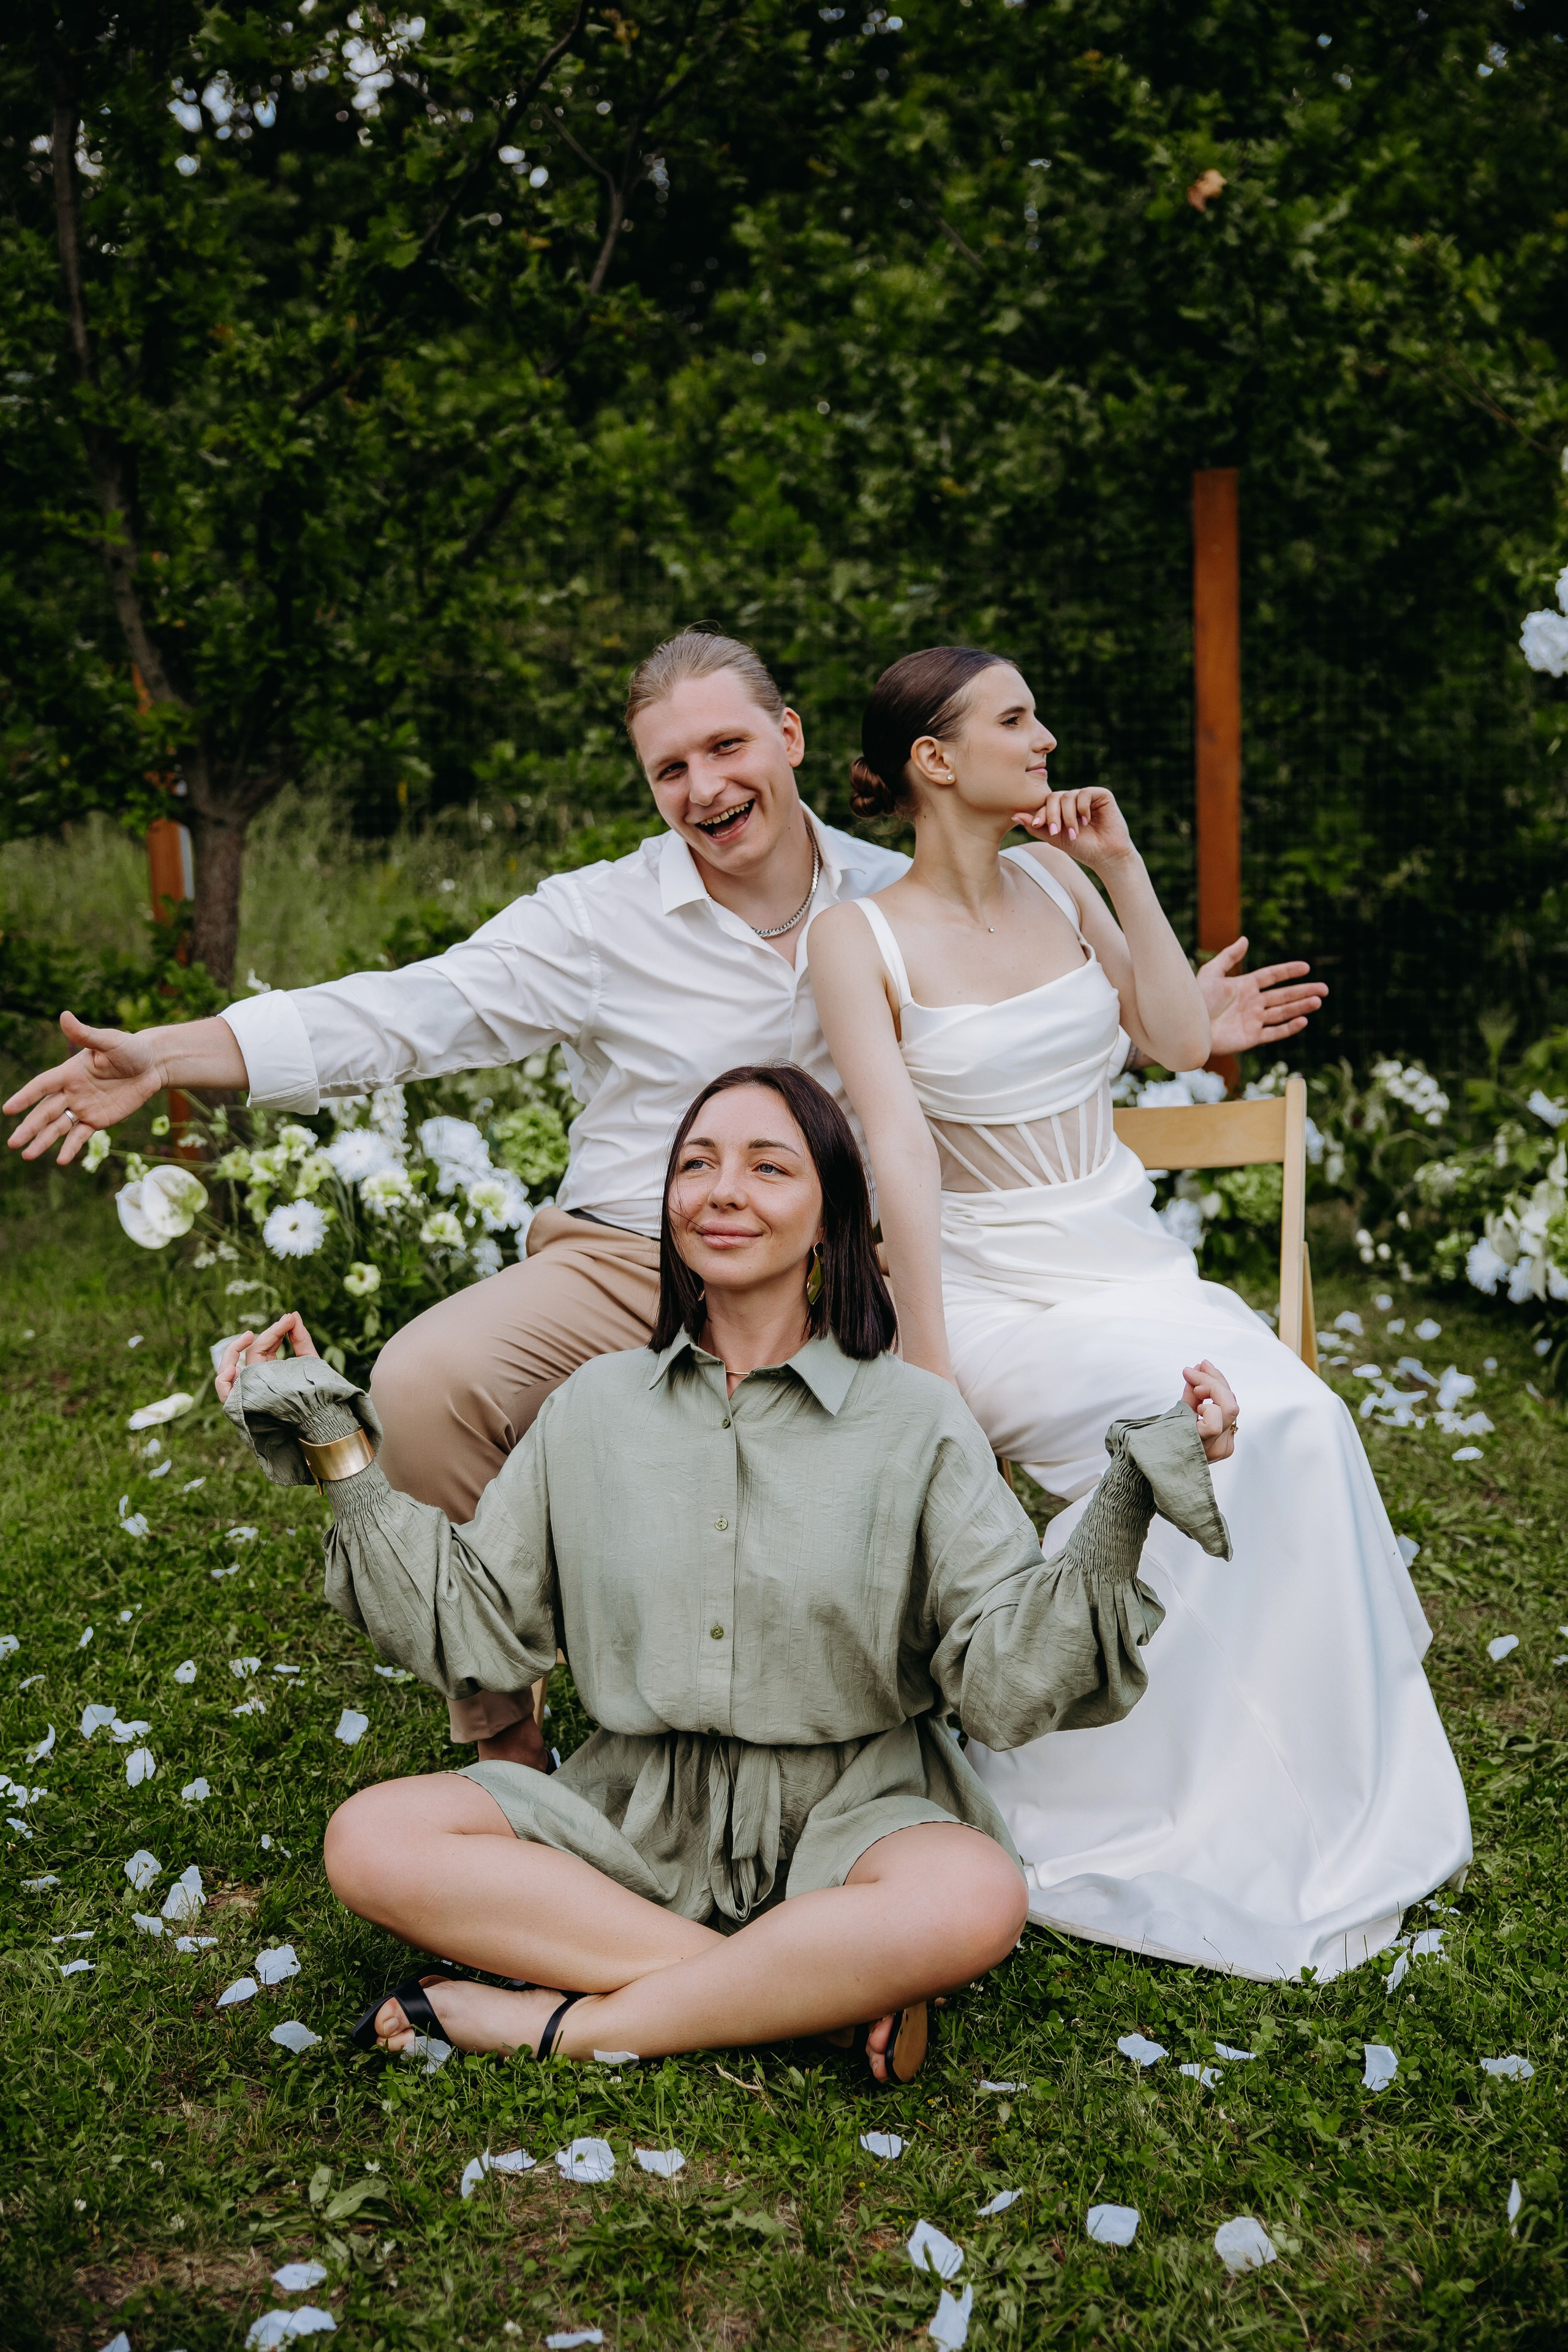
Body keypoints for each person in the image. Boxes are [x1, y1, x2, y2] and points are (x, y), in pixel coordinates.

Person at [4, 630, 1319, 1768]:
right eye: (670, 769)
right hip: (626, 1259)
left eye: (727, 746)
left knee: (895, 1434)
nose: (704, 786)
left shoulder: (892, 892)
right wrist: (172, 1054)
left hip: (827, 1275)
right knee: (418, 1383)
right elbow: (407, 1015)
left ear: (791, 739)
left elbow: (1041, 1023)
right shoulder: (594, 920)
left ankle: (868, 1728)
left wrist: (1169, 1019)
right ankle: (504, 1721)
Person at [215, 1064, 1238, 2075]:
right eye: (696, 1164)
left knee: (975, 1896)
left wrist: (1126, 1503)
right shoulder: (594, 1405)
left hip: (861, 1809)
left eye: (767, 1166)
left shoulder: (918, 1418)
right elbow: (477, 1624)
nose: (722, 1192)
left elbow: (1002, 1673)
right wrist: (335, 1447)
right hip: (632, 1812)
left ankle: (554, 2022)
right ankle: (806, 2005)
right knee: (370, 1838)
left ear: (832, 1213)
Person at [806, 646, 1472, 1985]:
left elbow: (1174, 1038)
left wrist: (1120, 867)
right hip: (996, 1295)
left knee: (1302, 1420)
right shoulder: (857, 935)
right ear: (933, 763)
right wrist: (928, 1369)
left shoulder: (1057, 877)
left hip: (1132, 1266)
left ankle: (1302, 1777)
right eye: (1013, 721)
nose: (1044, 740)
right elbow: (897, 1159)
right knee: (1228, 1432)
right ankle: (1115, 1791)